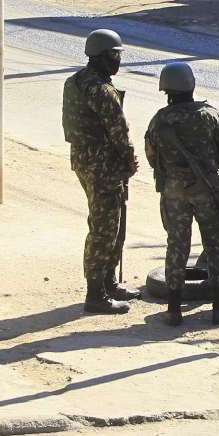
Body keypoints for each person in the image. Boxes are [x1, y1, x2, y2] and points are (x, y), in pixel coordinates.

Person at [144, 62, 219, 326]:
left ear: (166, 90)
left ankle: (173, 309)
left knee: (177, 245)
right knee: (216, 245)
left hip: (174, 191)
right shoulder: (210, 115)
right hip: (207, 189)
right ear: (192, 85)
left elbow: (152, 156)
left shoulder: (160, 120)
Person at [62, 29, 140, 314]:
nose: (118, 60)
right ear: (103, 56)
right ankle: (96, 294)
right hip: (103, 165)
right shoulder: (101, 89)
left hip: (87, 161)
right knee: (105, 228)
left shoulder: (76, 82)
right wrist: (130, 158)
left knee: (110, 223)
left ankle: (108, 283)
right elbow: (119, 130)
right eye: (115, 55)